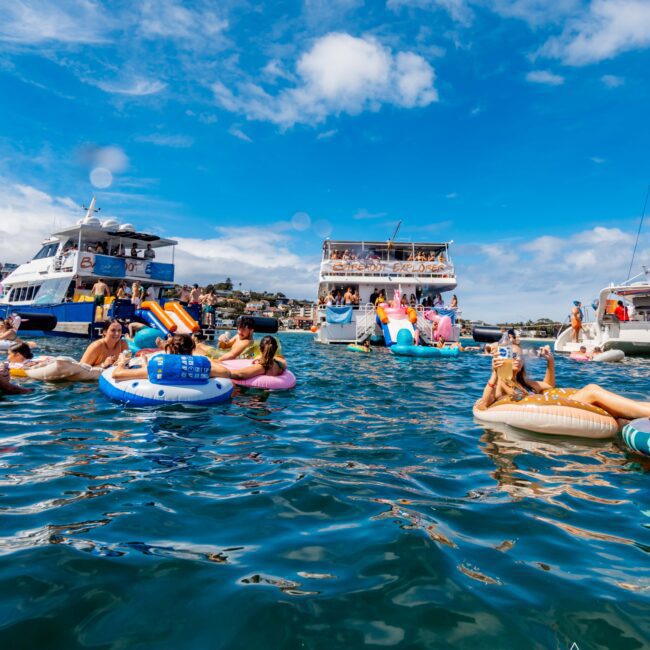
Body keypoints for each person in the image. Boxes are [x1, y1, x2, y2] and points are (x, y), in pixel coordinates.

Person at [476, 344, 650, 423]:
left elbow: (548, 386)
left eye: (519, 356)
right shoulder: (502, 382)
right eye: (511, 356)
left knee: (601, 396)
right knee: (591, 390)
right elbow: (486, 402)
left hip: (567, 406)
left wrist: (550, 362)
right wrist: (494, 373)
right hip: (565, 409)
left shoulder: (526, 383)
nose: (517, 359)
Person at [212, 336, 287, 381]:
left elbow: (239, 375)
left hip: (255, 397)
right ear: (276, 349)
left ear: (260, 349)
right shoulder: (280, 364)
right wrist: (260, 358)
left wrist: (212, 371)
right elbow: (280, 359)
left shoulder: (261, 367)